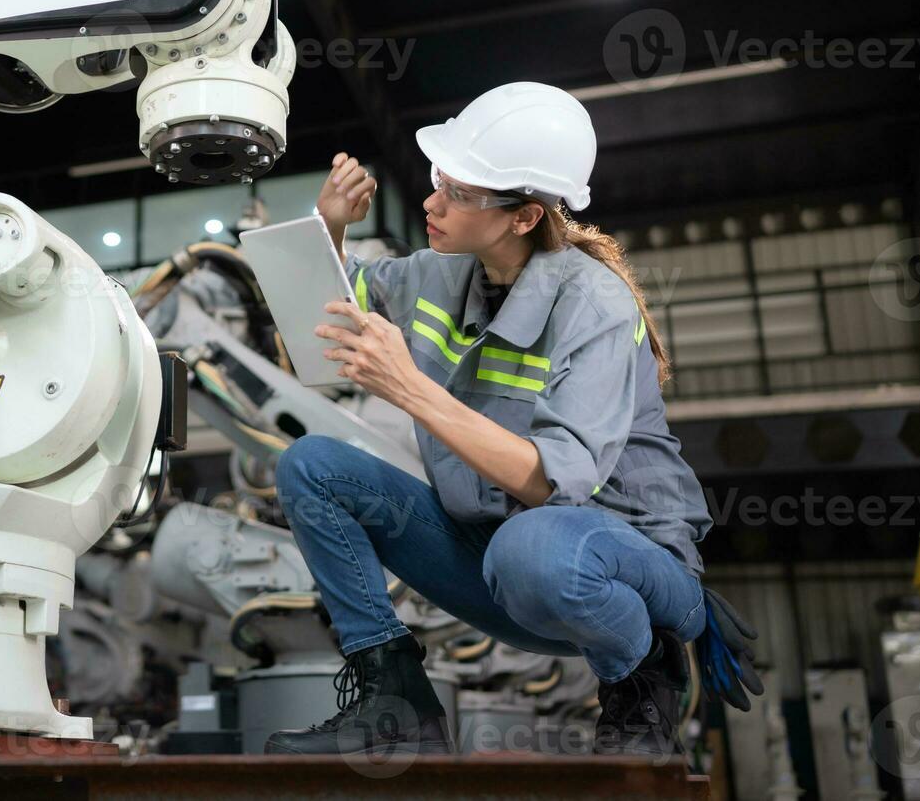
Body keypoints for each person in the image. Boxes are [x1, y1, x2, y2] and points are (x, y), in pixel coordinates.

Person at [262, 81, 757, 759]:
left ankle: (646, 669)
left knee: (533, 546)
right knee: (310, 465)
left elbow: (551, 487)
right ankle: (395, 694)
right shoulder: (435, 274)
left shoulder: (594, 306)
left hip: (603, 563)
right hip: (496, 562)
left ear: (523, 218)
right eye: (439, 181)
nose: (432, 203)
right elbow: (312, 337)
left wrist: (409, 388)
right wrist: (329, 229)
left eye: (459, 194)